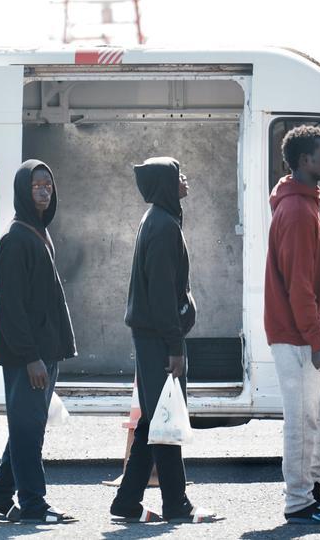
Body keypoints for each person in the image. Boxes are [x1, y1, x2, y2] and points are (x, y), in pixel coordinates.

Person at [110, 158, 220, 524]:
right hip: (159, 339)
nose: (184, 178)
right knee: (166, 418)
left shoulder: (160, 220)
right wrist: (175, 347)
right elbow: (160, 295)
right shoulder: (162, 226)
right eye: (177, 175)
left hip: (154, 336)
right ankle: (177, 504)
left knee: (154, 419)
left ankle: (126, 503)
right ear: (165, 185)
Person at [264, 126, 320, 525]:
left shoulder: (307, 204)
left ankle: (313, 492)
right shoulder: (298, 211)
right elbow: (299, 286)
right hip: (297, 337)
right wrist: (316, 339)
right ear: (304, 161)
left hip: (308, 334)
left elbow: (312, 281)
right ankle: (298, 502)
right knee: (303, 424)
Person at [0, 160, 78, 525]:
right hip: (29, 356)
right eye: (37, 185)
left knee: (30, 423)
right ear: (23, 189)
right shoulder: (16, 238)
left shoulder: (37, 231)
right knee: (28, 428)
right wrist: (31, 357)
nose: (43, 191)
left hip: (43, 352)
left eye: (48, 186)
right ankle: (34, 505)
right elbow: (11, 308)